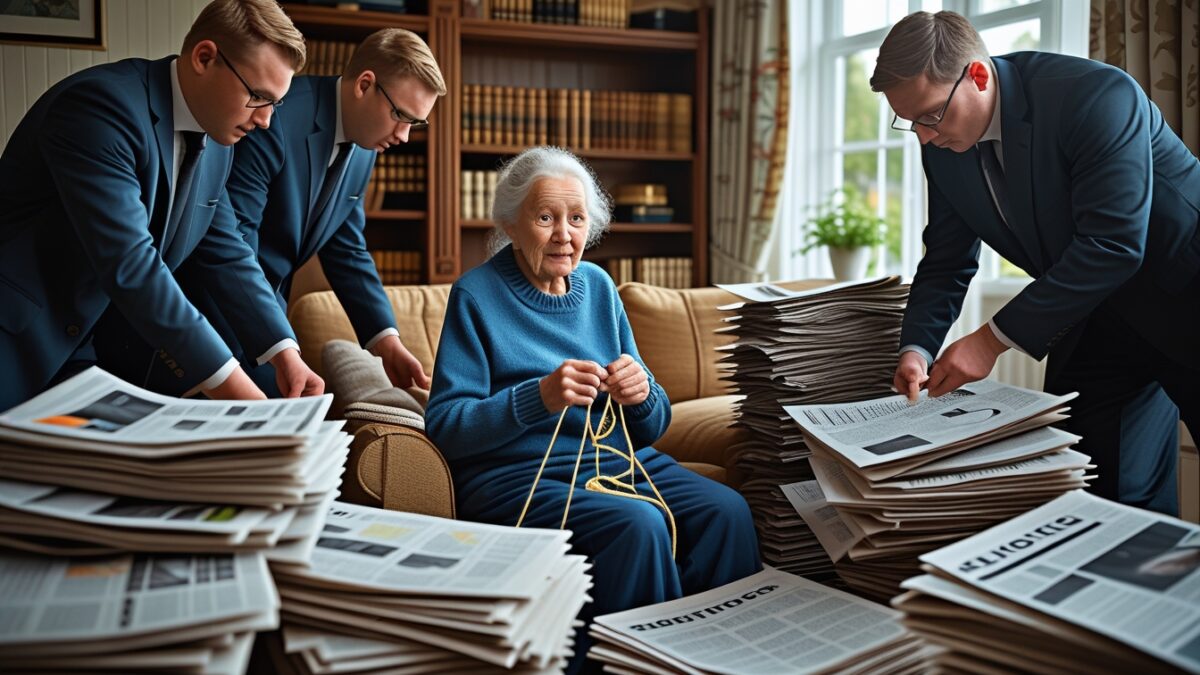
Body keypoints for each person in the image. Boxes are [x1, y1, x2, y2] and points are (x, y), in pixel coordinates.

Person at [424, 147, 761, 670]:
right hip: (518, 478)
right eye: (545, 217)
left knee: (727, 511)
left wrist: (642, 394)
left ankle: (724, 658)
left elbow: (654, 426)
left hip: (616, 463)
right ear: (510, 224)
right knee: (638, 524)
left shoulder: (600, 287)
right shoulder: (476, 294)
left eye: (577, 218)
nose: (564, 234)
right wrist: (537, 397)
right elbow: (446, 427)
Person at [872, 11, 1200, 514]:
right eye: (909, 120)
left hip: (1186, 292)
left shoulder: (1094, 94)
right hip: (1090, 315)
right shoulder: (941, 146)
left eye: (931, 115)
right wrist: (917, 347)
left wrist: (990, 341)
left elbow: (1112, 243)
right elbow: (946, 259)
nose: (923, 136)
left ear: (978, 76)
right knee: (1099, 491)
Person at [0, 0, 324, 410]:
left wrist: (283, 351)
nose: (265, 121)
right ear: (204, 57)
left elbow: (226, 250)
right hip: (15, 344)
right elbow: (131, 264)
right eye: (257, 96)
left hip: (84, 356)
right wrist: (234, 387)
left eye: (275, 103)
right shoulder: (100, 107)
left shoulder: (219, 140)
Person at [169, 28, 444, 396]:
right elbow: (234, 239)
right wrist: (280, 348)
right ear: (365, 85)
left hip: (266, 318)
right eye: (400, 115)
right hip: (211, 315)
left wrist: (386, 340)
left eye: (415, 123)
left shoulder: (366, 145)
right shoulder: (276, 119)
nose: (404, 135)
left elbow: (346, 247)